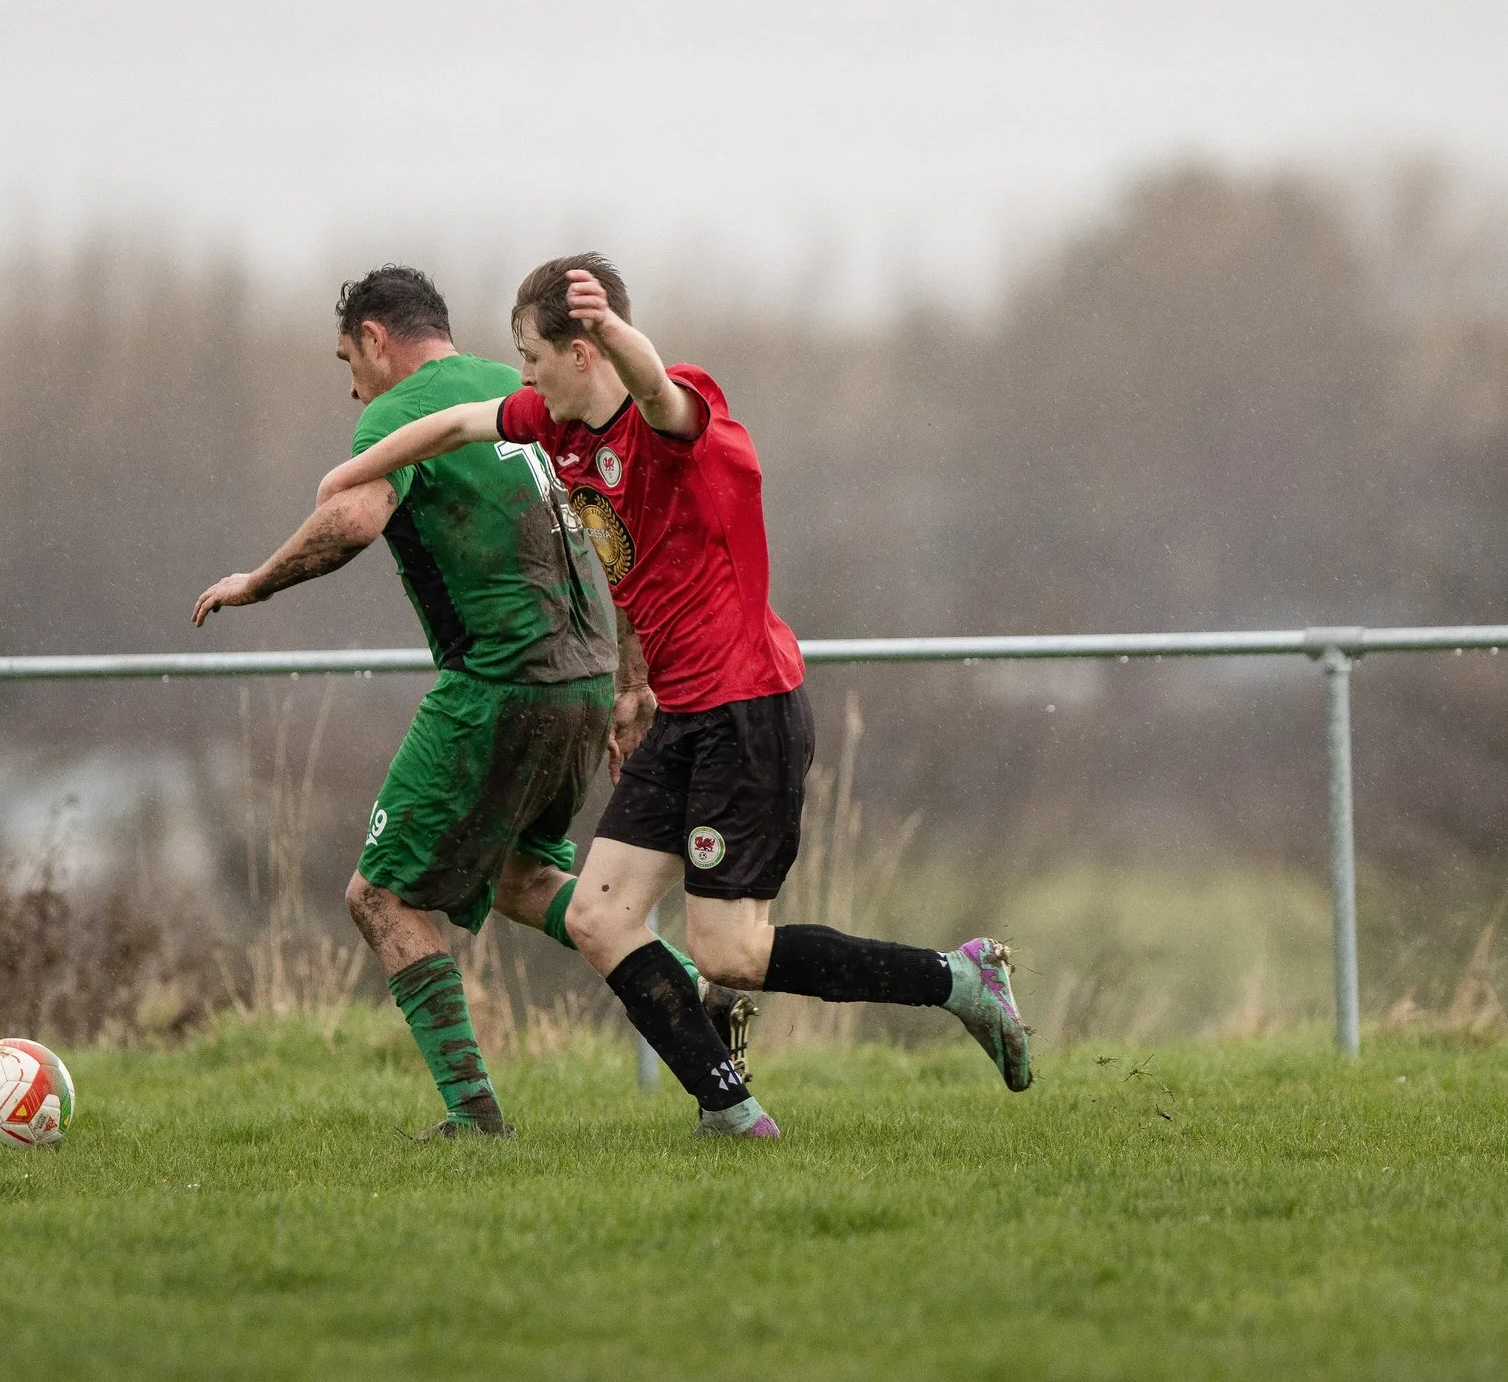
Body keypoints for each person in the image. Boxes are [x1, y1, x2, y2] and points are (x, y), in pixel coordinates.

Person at [319, 254, 1032, 1139]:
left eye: (534, 352)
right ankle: (733, 1114)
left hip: (748, 709)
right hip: (685, 714)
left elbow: (655, 391)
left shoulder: (678, 416)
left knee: (731, 952)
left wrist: (620, 334)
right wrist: (347, 477)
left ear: (584, 352)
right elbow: (459, 421)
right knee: (598, 915)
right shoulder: (557, 425)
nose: (524, 370)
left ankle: (960, 979)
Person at [192, 266, 631, 1139]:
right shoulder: (522, 387)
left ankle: (474, 1115)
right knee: (523, 877)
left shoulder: (396, 414)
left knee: (380, 896)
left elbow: (352, 520)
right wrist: (632, 681)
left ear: (376, 339)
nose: (350, 384)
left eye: (347, 359)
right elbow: (614, 525)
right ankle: (687, 987)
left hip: (499, 684)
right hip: (586, 677)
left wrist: (258, 583)